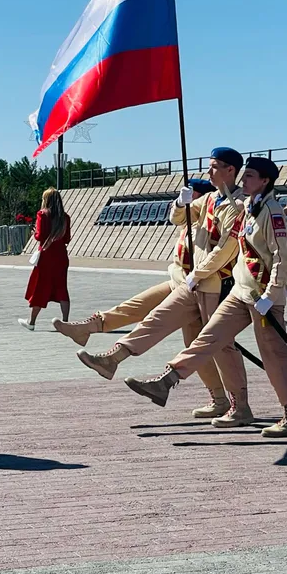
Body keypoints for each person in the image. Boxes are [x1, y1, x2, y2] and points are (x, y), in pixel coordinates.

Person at [123, 157, 287, 438]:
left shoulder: (271, 212)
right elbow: (227, 218)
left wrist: (275, 292)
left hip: (262, 296)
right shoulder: (248, 206)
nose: (244, 181)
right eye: (243, 176)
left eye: (250, 177)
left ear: (265, 181)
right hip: (239, 292)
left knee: (274, 355)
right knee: (208, 338)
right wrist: (189, 200)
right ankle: (165, 383)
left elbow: (281, 256)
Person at [77, 148, 252, 426]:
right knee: (158, 318)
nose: (209, 171)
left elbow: (225, 250)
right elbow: (178, 220)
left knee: (220, 346)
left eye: (215, 166)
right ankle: (114, 359)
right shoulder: (208, 199)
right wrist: (180, 204)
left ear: (231, 170)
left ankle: (239, 406)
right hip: (193, 282)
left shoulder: (239, 205)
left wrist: (199, 273)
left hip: (216, 285)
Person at [23, 188, 71, 329]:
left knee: (40, 288)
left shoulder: (42, 215)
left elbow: (40, 236)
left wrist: (34, 233)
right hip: (61, 257)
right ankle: (66, 321)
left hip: (46, 256)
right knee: (62, 289)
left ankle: (31, 322)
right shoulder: (65, 217)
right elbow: (67, 238)